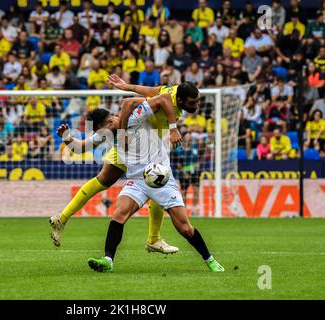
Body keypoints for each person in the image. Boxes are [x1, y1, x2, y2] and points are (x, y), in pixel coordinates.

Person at [50, 74, 202, 254]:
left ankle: (154, 239)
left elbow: (151, 94)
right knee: (124, 180)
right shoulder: (159, 102)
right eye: (193, 102)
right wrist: (67, 138)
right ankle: (153, 239)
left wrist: (126, 86)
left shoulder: (162, 99)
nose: (196, 105)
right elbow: (156, 98)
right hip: (135, 148)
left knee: (140, 180)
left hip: (143, 146)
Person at [86, 98, 224, 273]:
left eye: (101, 130)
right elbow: (81, 146)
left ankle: (210, 260)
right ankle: (108, 261)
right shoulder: (105, 133)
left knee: (184, 227)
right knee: (119, 214)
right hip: (137, 180)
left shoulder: (132, 118)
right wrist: (67, 138)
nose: (101, 135)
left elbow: (156, 99)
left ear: (109, 121)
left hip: (160, 177)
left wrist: (173, 129)